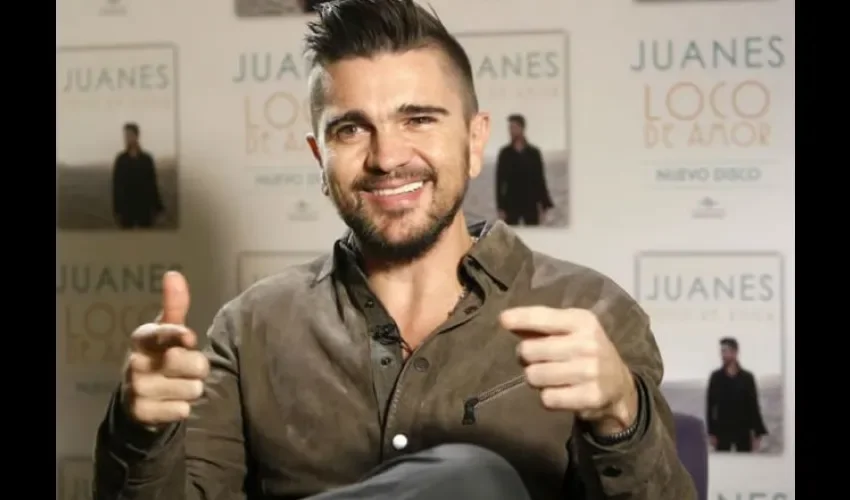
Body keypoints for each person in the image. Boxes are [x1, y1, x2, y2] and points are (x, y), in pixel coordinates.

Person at [92, 1, 696, 499]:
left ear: (475, 141)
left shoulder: (589, 312)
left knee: (474, 479)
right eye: (351, 129)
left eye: (419, 120)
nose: (386, 157)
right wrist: (140, 429)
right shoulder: (251, 329)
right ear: (320, 159)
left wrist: (621, 413)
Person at [706, 337, 768, 453]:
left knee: (745, 462)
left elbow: (753, 405)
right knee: (723, 462)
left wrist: (758, 433)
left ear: (735, 352)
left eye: (726, 351)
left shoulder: (747, 378)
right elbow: (710, 406)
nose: (723, 355)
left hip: (743, 431)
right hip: (722, 431)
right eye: (722, 351)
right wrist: (711, 433)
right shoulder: (716, 378)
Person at [495, 114, 554, 226]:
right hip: (511, 204)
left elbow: (540, 180)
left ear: (522, 128)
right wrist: (500, 208)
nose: (511, 131)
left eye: (514, 127)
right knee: (511, 235)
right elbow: (499, 182)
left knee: (533, 233)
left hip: (530, 203)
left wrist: (545, 205)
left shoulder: (534, 153)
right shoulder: (505, 154)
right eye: (510, 128)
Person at [112, 122, 164, 229]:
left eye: (129, 135)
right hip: (127, 208)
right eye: (125, 136)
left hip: (144, 207)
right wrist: (116, 210)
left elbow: (152, 184)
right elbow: (116, 186)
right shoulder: (121, 159)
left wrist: (158, 208)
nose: (126, 138)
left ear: (137, 136)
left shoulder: (146, 159)